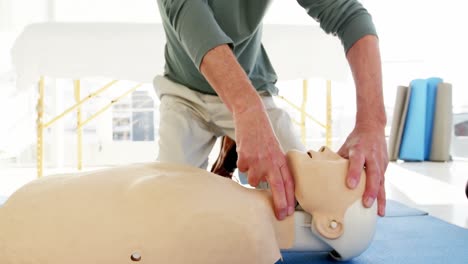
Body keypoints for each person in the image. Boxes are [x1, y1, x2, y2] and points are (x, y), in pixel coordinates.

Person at [154, 0, 388, 221]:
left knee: (300, 192)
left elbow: (349, 16)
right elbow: (191, 18)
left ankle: (233, 146)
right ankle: (233, 143)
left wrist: (372, 123)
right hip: (183, 94)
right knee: (169, 204)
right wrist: (247, 112)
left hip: (252, 87)